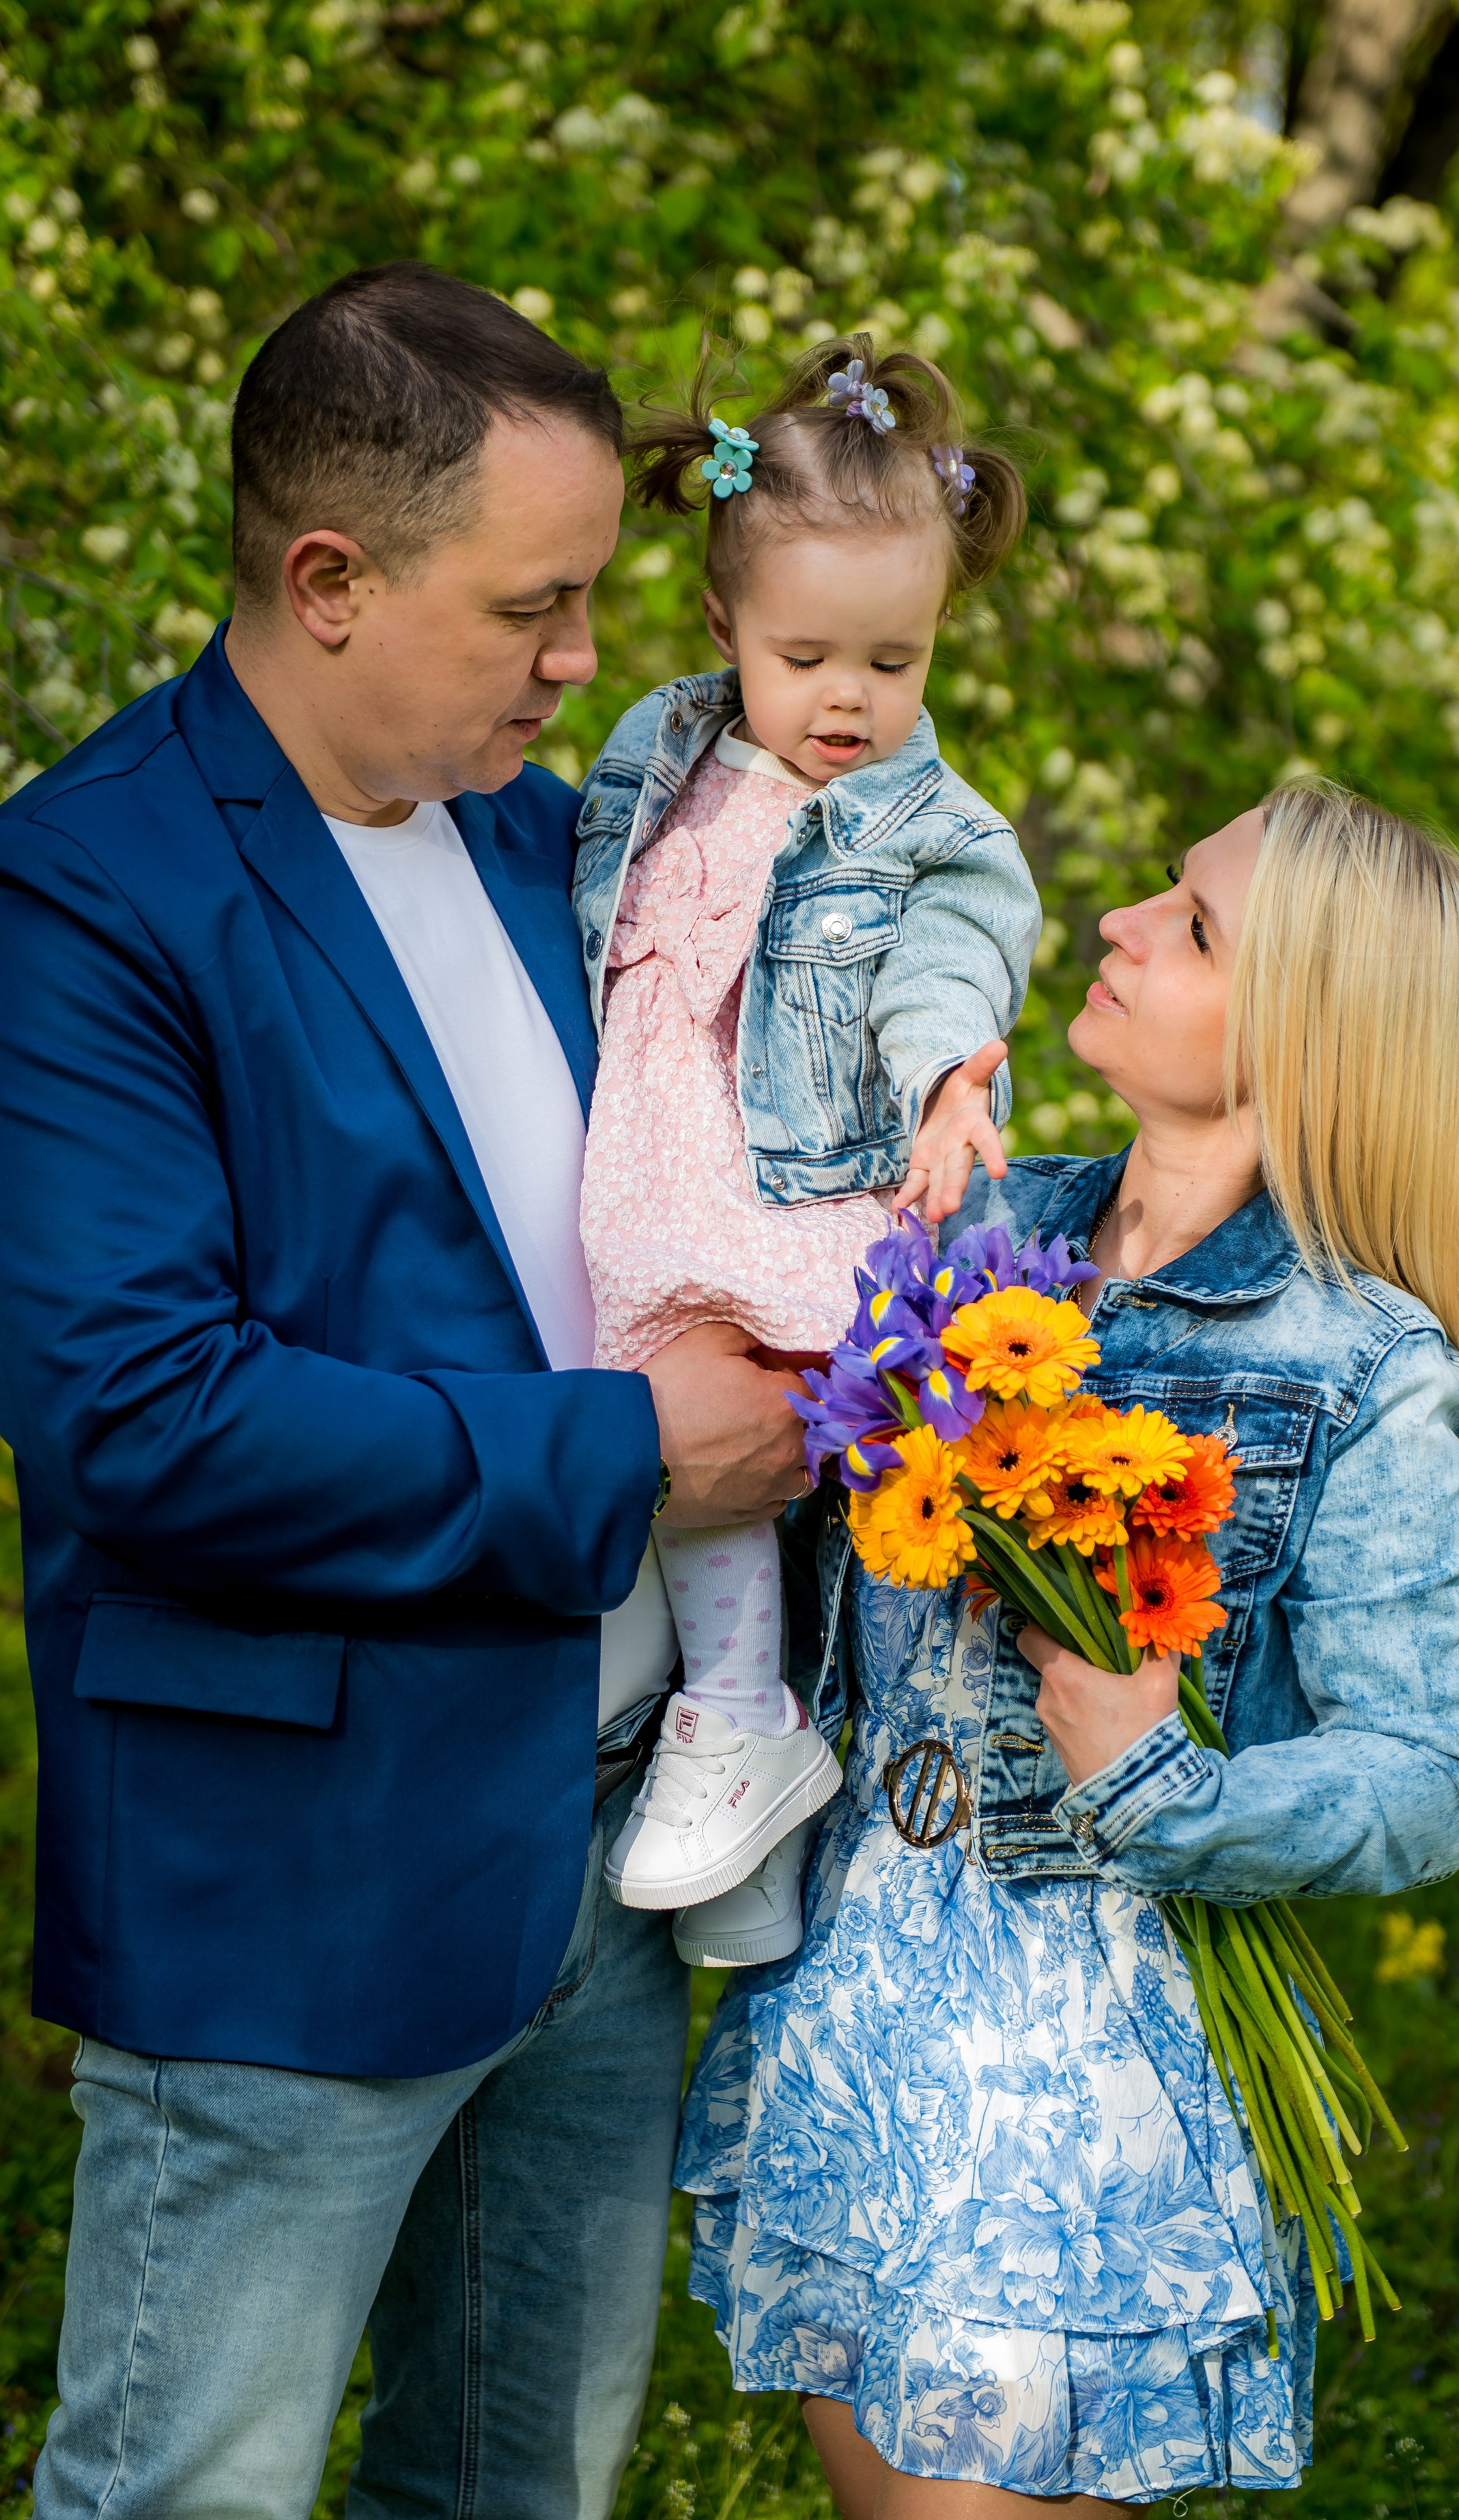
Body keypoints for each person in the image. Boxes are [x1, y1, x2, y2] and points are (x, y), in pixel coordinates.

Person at [0, 262, 806, 2520]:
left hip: (601, 1858)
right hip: (292, 1877)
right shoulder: (71, 897)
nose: (578, 659)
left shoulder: (544, 852)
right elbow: (148, 1418)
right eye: (535, 602)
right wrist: (627, 1460)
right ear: (327, 581)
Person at [678, 784, 1459, 2520]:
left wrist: (1166, 1785)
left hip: (1088, 2116)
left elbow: (1431, 1779)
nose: (1124, 920)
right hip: (848, 2030)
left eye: (1197, 926)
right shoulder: (978, 1238)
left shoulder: (1362, 1362)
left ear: (1314, 1033)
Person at [571, 337, 1042, 1966]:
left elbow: (951, 960)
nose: (850, 700)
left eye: (893, 662)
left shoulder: (929, 824)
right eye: (809, 656)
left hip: (801, 1187)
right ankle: (739, 1779)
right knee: (687, 1459)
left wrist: (942, 1085)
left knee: (739, 1459)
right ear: (720, 630)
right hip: (653, 1162)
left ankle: (738, 1722)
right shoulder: (657, 746)